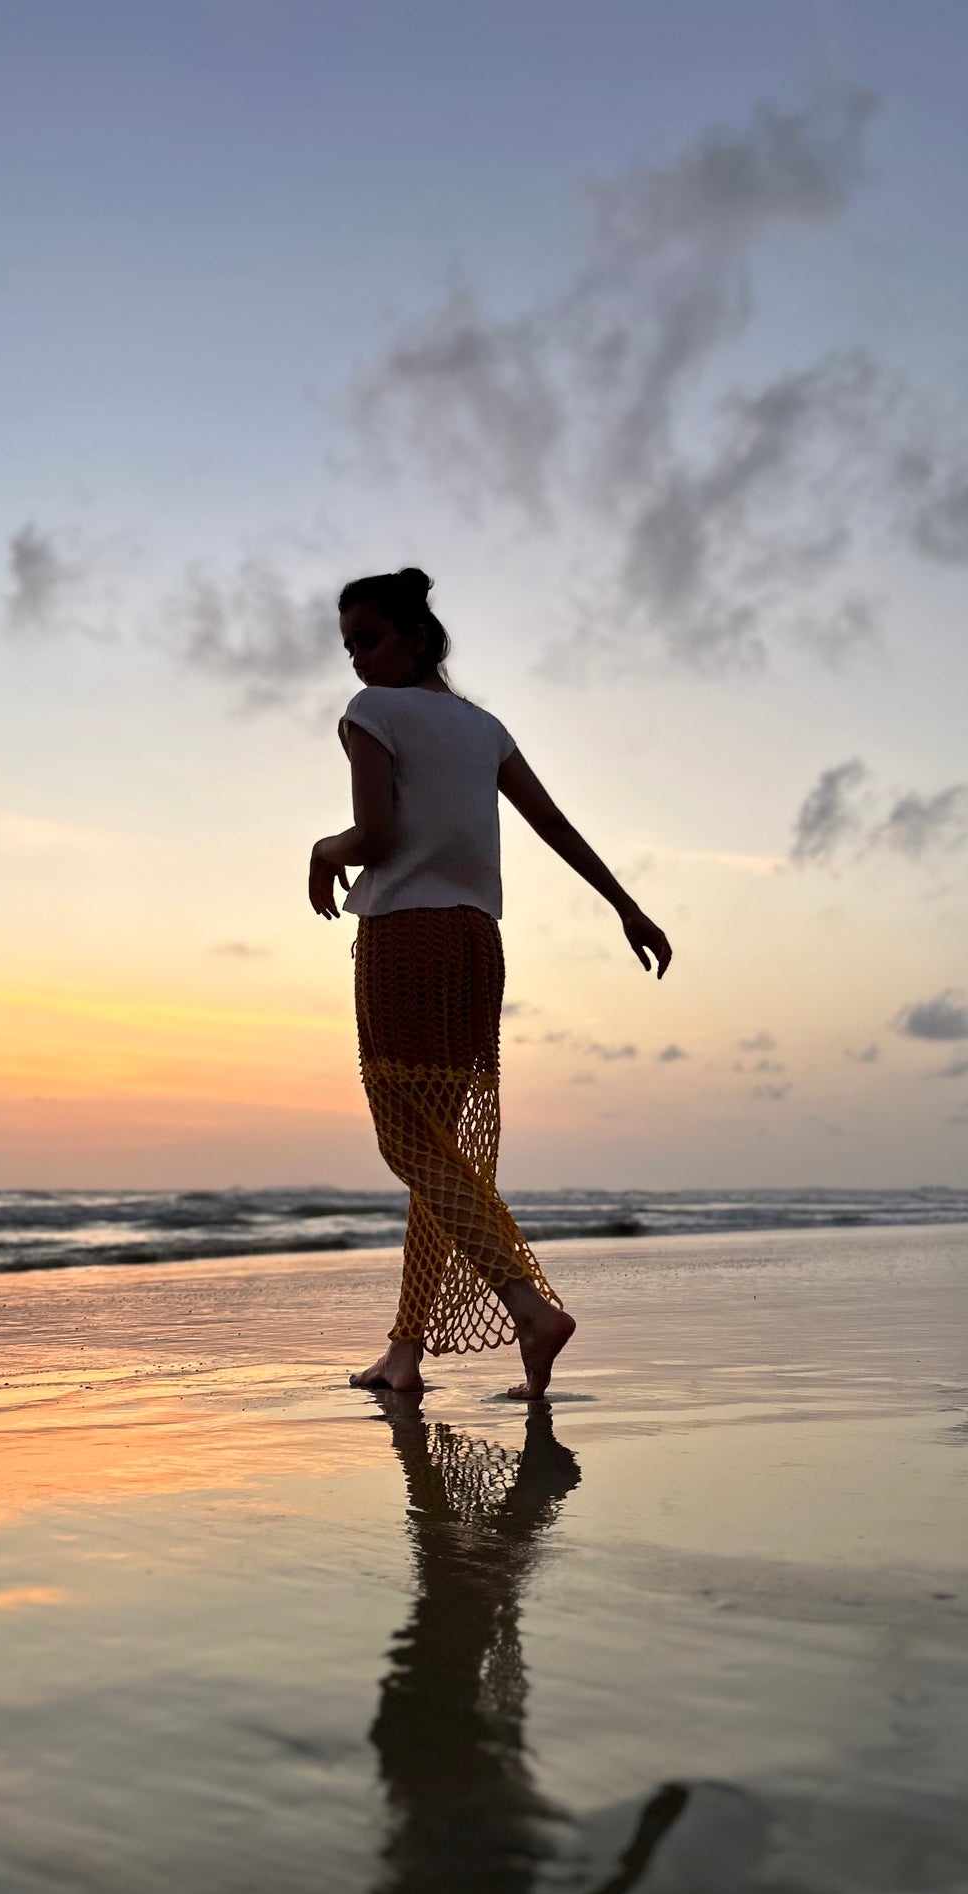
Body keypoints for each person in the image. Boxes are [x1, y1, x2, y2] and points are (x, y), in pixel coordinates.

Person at [309, 567, 670, 1399]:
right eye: (349, 647)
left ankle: (527, 1307)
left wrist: (324, 850)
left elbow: (375, 833)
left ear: (418, 638)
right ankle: (404, 1353)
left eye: (369, 639)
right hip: (476, 942)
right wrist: (628, 907)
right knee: (438, 1151)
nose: (357, 661)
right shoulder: (484, 727)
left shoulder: (372, 713)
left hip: (405, 939)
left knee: (410, 1146)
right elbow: (551, 824)